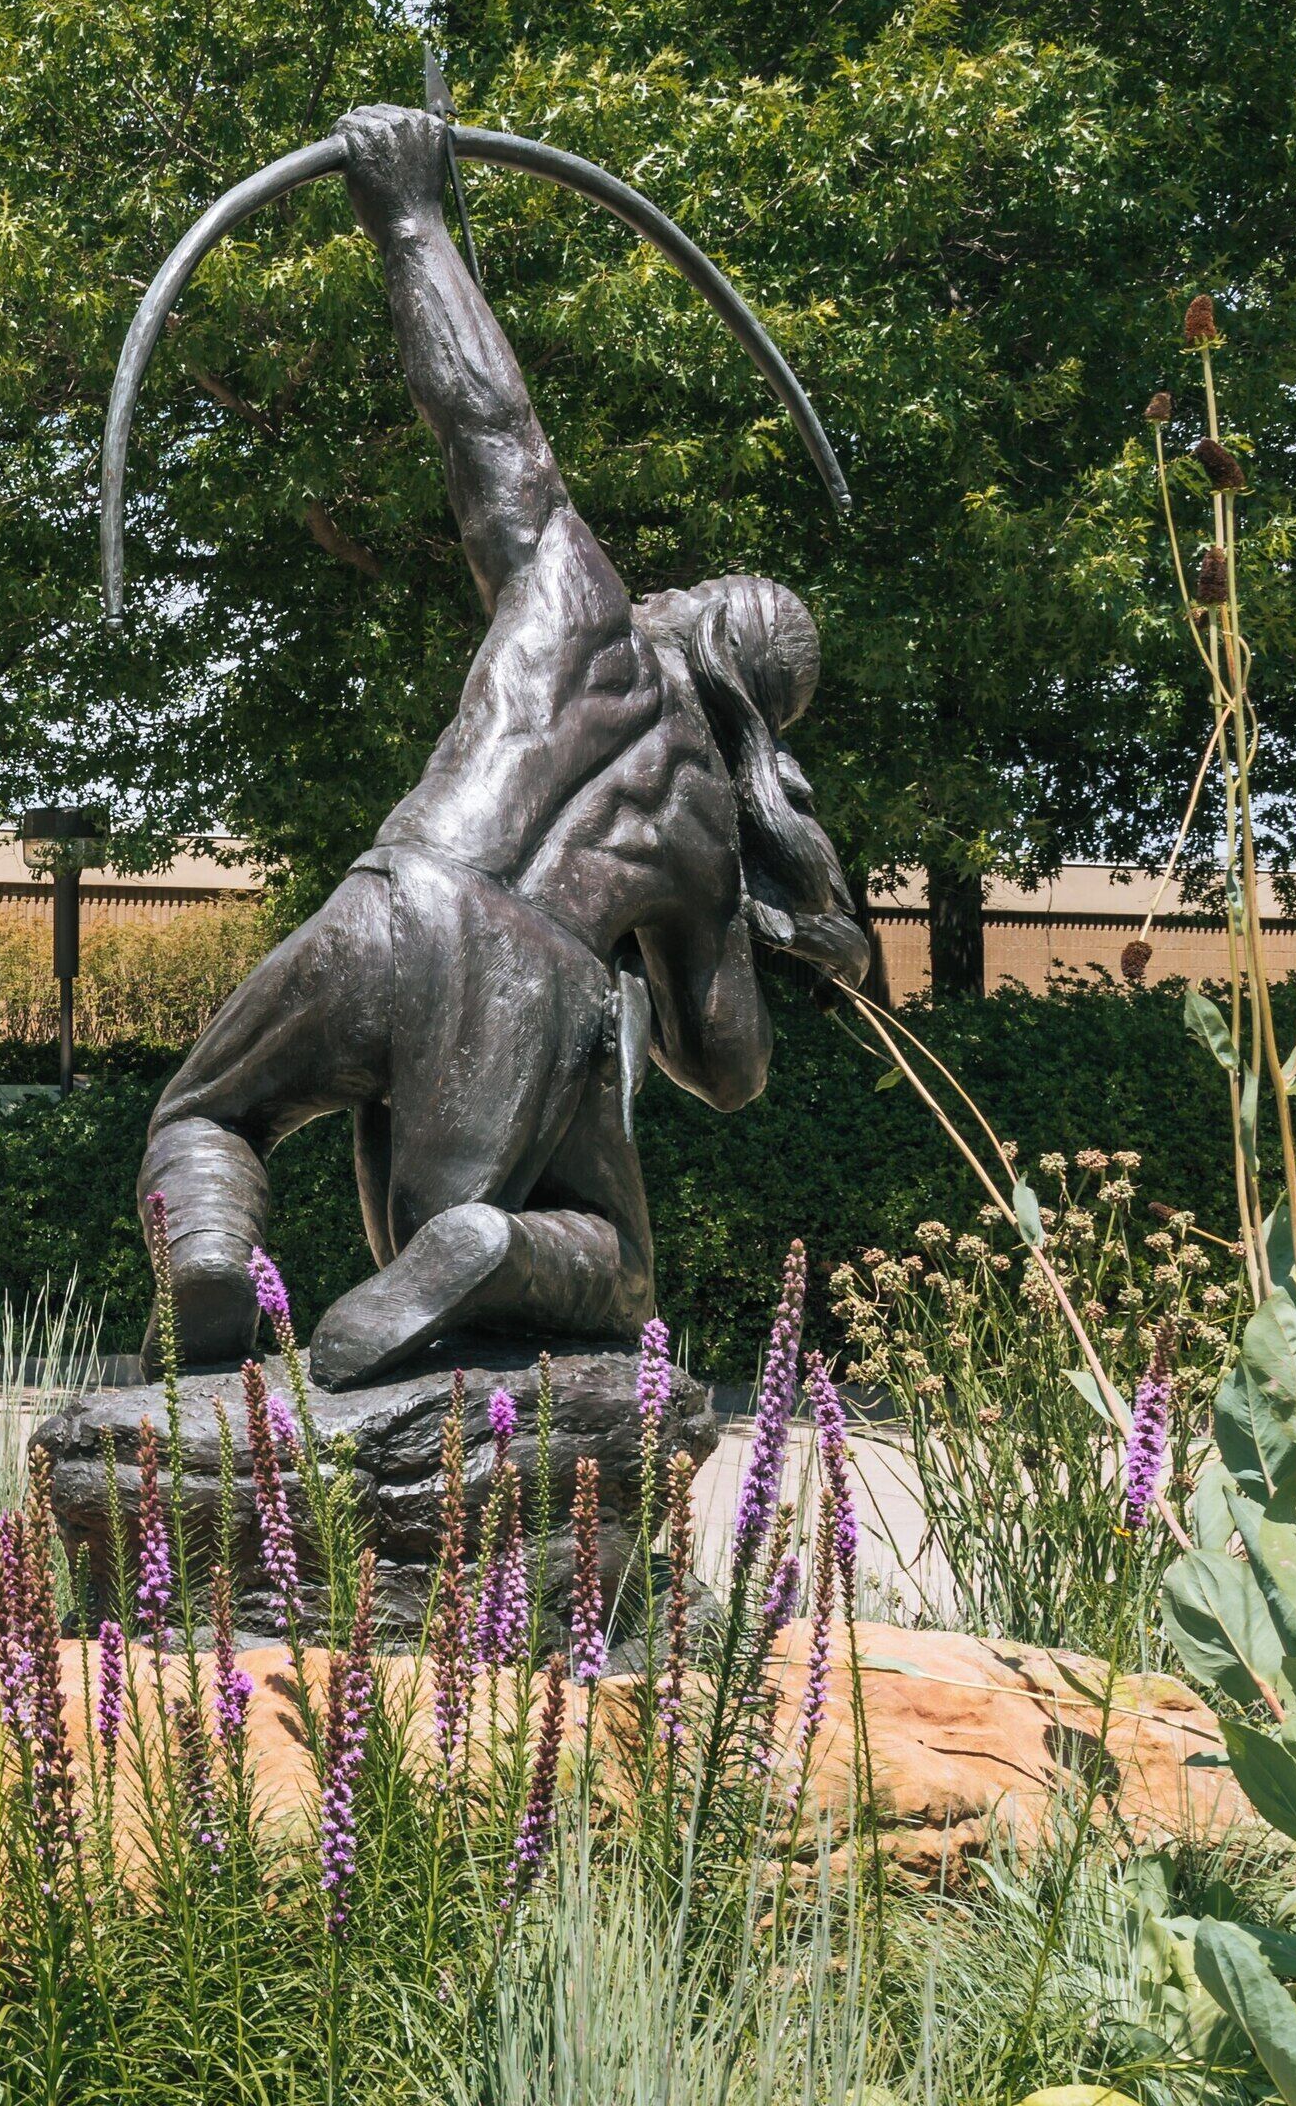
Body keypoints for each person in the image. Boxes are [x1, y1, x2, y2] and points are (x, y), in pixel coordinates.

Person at [144, 104, 872, 1388]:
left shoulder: (575, 597)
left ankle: (211, 1251)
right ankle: (489, 1244)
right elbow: (731, 1069)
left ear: (687, 613)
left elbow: (484, 422)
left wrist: (409, 218)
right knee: (617, 1266)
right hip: (533, 991)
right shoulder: (702, 830)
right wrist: (761, 927)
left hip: (395, 898)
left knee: (211, 1113)